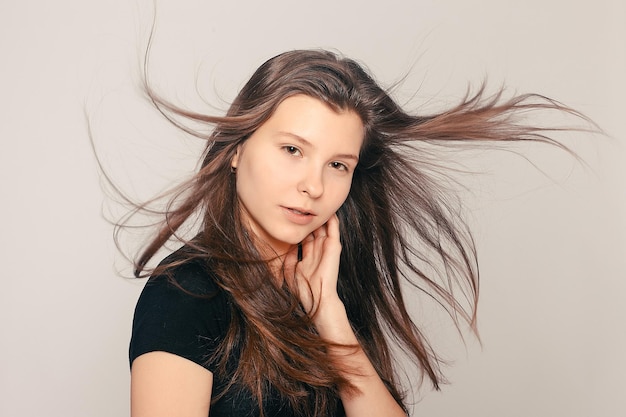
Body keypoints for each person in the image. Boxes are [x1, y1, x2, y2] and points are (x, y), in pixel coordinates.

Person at [126, 49, 583, 417]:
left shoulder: (329, 287)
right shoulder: (186, 292)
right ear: (236, 151)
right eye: (292, 149)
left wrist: (331, 320)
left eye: (338, 165)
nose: (314, 186)